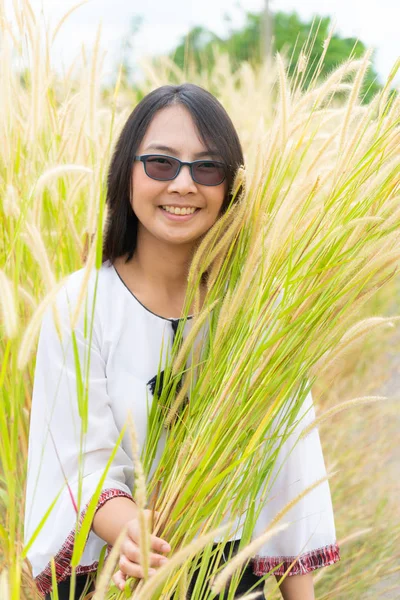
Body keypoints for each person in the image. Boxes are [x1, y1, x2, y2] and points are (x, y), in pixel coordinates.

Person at [24, 83, 340, 600]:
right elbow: (76, 459)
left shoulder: (256, 309)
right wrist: (131, 528)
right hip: (123, 578)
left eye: (207, 167)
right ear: (126, 170)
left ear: (229, 185)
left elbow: (289, 464)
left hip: (232, 577)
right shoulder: (81, 305)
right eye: (161, 164)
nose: (184, 185)